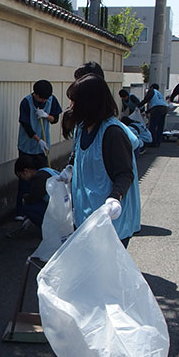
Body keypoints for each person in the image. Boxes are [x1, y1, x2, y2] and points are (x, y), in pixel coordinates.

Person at [63, 76, 141, 247]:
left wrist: (114, 198)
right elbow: (78, 156)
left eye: (74, 101)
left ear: (89, 103)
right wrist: (69, 169)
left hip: (109, 222)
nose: (71, 106)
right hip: (86, 215)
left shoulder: (112, 133)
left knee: (107, 272)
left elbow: (124, 173)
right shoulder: (82, 127)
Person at [15, 80, 62, 219]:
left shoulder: (51, 100)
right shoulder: (26, 102)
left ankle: (42, 212)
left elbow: (55, 119)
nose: (44, 100)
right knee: (25, 178)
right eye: (41, 98)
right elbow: (26, 125)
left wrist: (46, 116)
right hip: (27, 146)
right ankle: (21, 211)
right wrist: (38, 140)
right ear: (35, 94)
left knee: (43, 179)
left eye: (45, 98)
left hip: (43, 148)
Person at [14, 155, 59, 228]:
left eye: (21, 175)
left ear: (26, 171)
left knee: (27, 207)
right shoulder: (46, 170)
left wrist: (25, 198)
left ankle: (47, 227)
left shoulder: (39, 178)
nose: (22, 178)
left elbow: (33, 199)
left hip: (59, 209)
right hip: (63, 205)